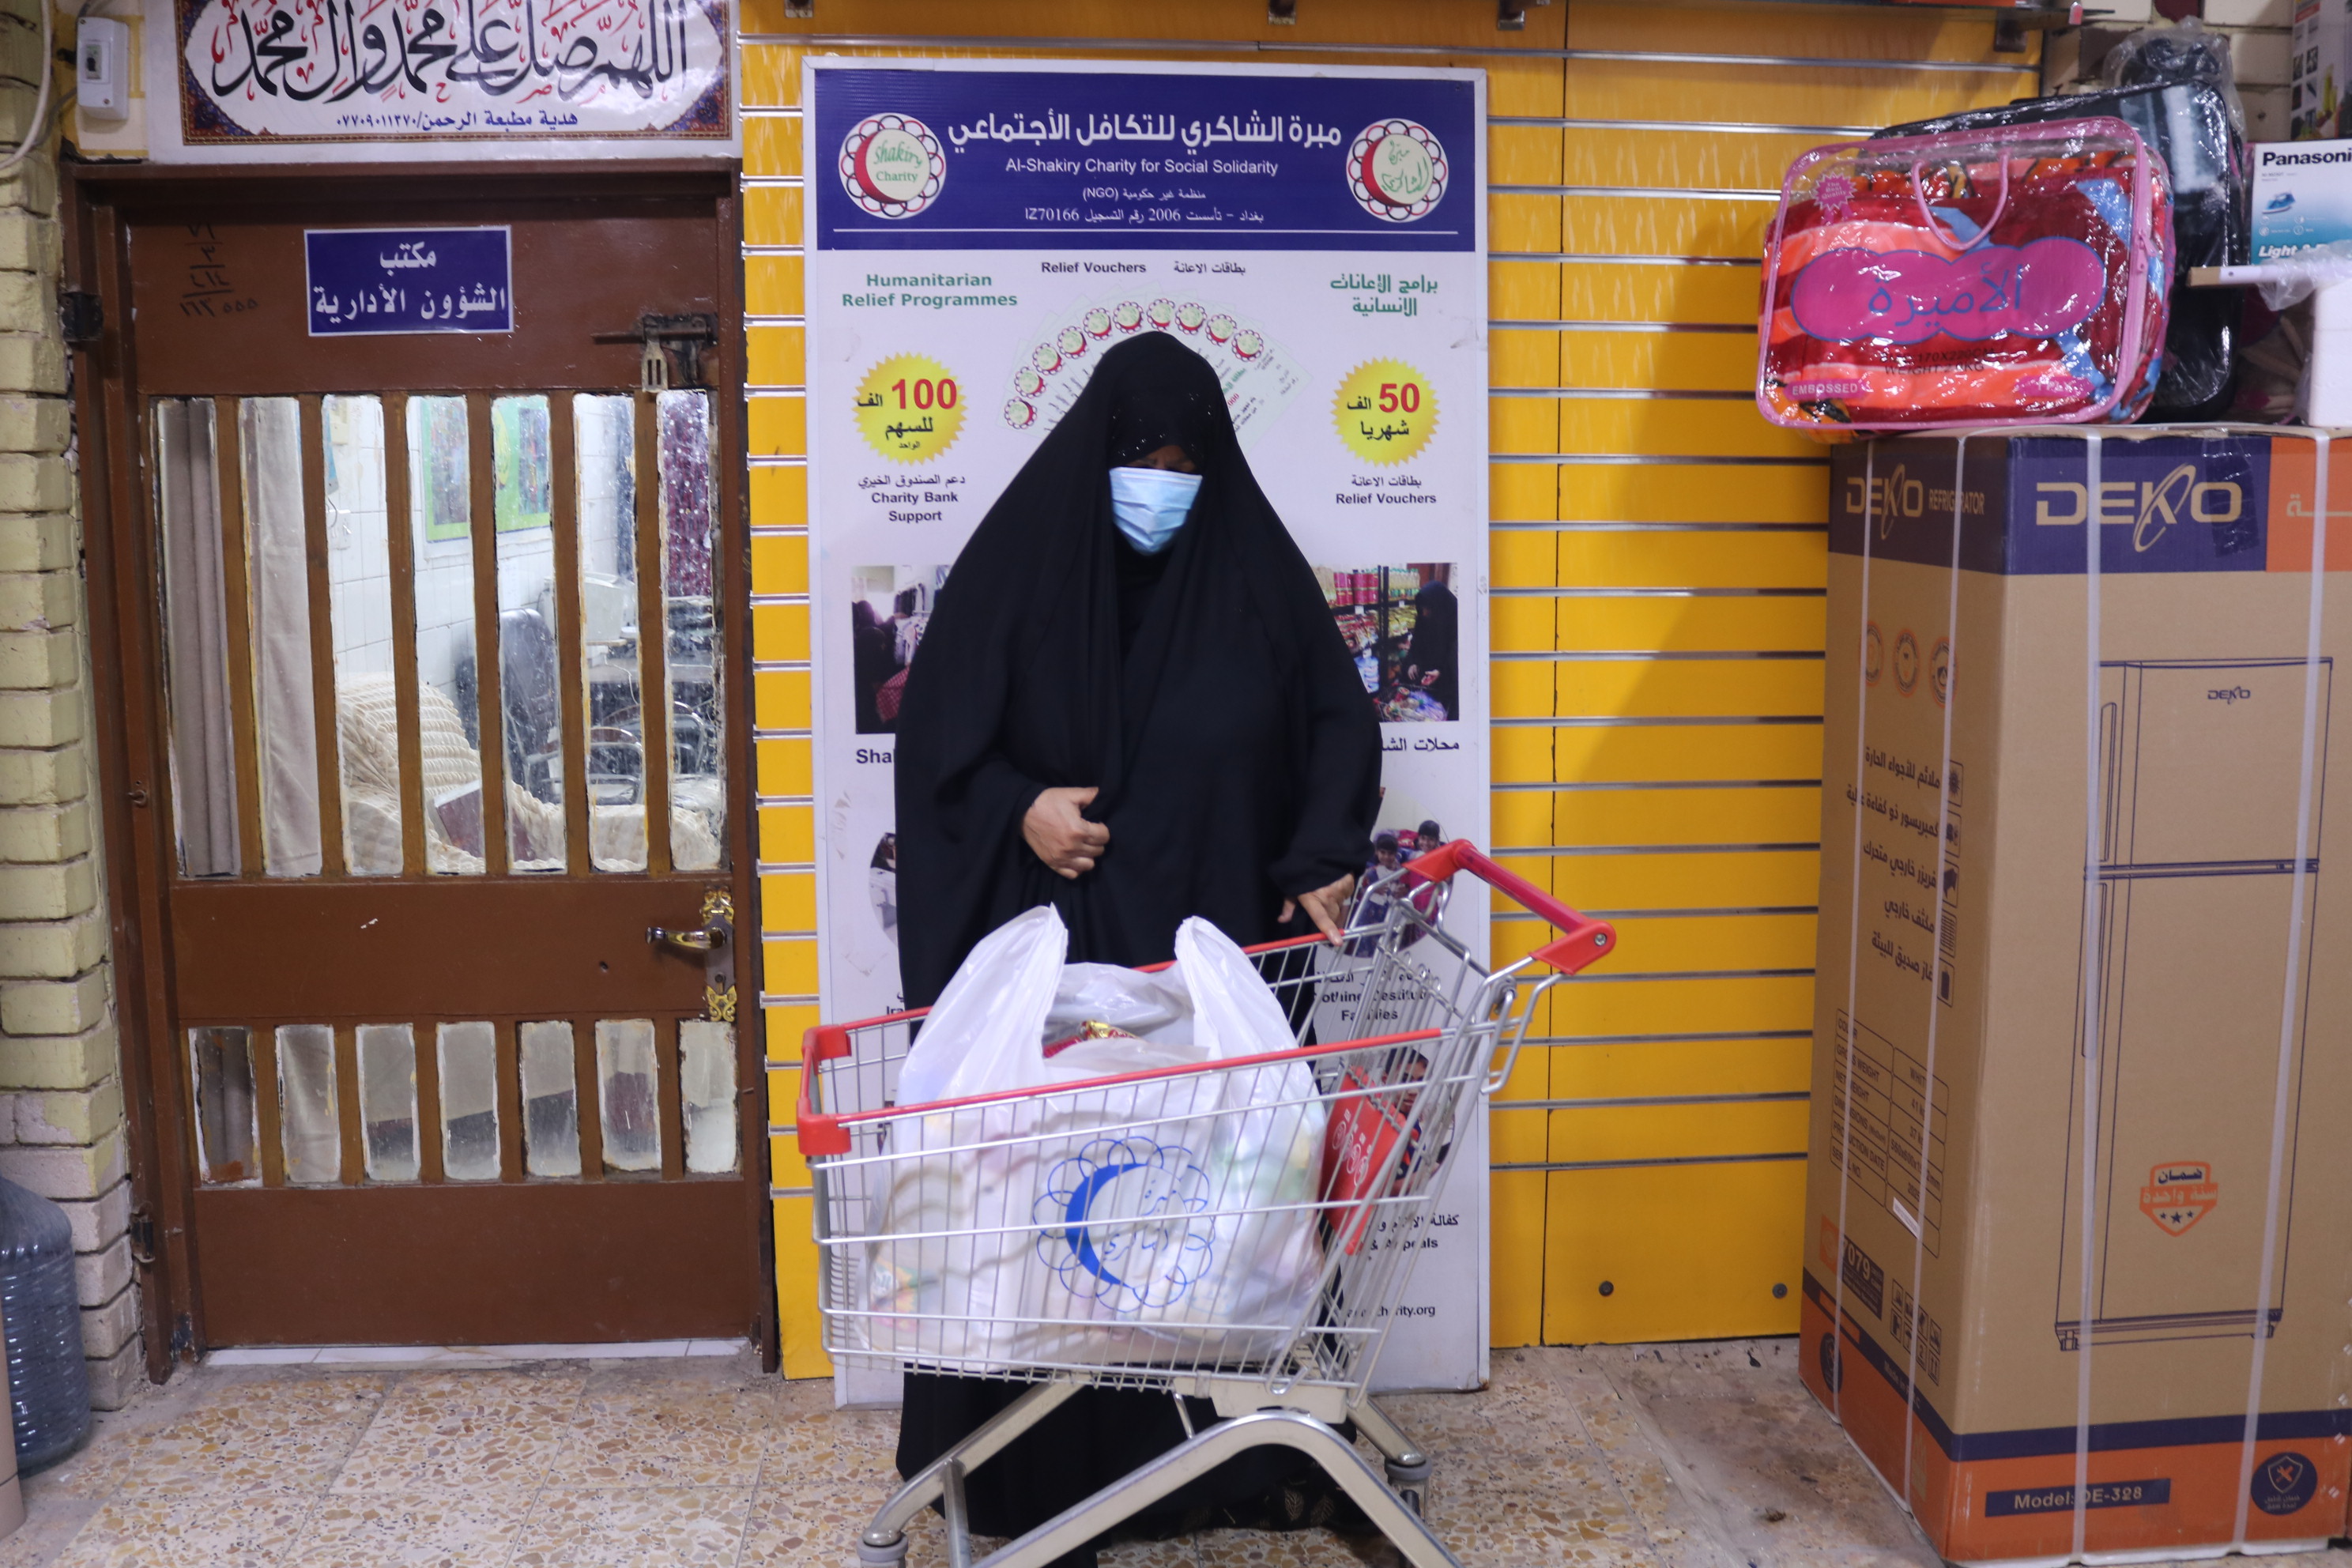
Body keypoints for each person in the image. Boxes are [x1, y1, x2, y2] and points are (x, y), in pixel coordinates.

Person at [892, 331, 1382, 1563]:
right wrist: (1019, 805)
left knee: (1216, 1212)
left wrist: (1321, 851)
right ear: (1091, 452)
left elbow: (1337, 722)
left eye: (1182, 462)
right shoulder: (1019, 572)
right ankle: (1027, 1468)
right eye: (1137, 458)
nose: (1160, 484)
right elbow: (940, 742)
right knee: (1052, 1210)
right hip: (1065, 963)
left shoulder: (1256, 578)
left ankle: (1236, 1458)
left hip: (1217, 956)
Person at [1403, 571, 1458, 720]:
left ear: (1439, 606)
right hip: (1423, 681)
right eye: (1422, 608)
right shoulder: (1423, 619)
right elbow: (1415, 645)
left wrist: (1441, 672)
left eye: (1428, 608)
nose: (1425, 613)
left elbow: (1457, 660)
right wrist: (1413, 662)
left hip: (1446, 685)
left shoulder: (1457, 621)